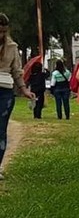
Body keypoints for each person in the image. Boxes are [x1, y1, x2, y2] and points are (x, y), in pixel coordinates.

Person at [0, 14, 36, 179]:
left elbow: (17, 71)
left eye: (3, 31)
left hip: (5, 91)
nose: (1, 35)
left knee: (1, 130)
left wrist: (24, 90)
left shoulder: (12, 46)